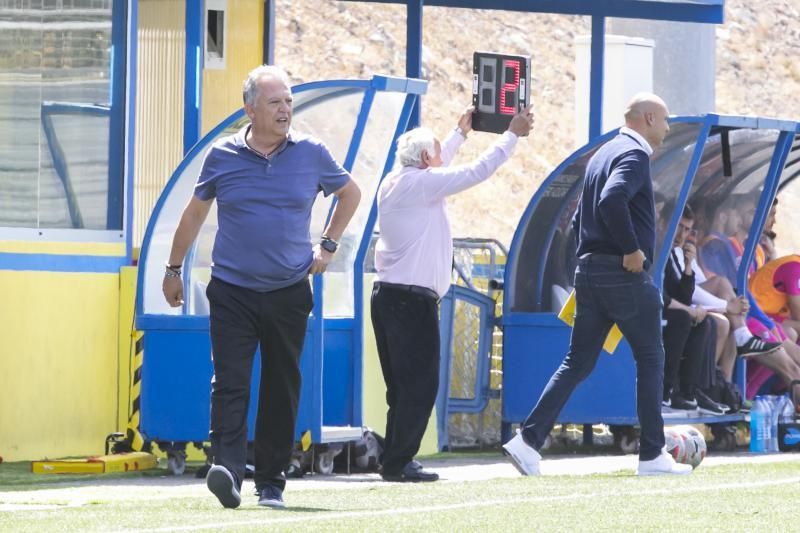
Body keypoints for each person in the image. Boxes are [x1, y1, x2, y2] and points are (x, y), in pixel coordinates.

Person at [162, 65, 361, 509]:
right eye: (275, 102)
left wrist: (327, 246)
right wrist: (173, 269)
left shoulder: (311, 152)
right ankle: (228, 472)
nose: (285, 109)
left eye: (288, 101)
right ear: (250, 109)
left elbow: (351, 193)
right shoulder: (221, 156)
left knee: (281, 384)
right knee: (229, 382)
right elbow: (193, 215)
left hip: (289, 290)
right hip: (231, 289)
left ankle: (270, 483)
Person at [502, 93, 692, 476]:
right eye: (666, 120)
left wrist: (592, 259)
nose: (669, 128)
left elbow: (579, 221)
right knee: (652, 357)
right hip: (622, 275)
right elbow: (611, 200)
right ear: (650, 118)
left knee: (578, 361)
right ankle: (653, 454)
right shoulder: (634, 154)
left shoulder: (604, 152)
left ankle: (527, 441)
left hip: (590, 271)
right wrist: (631, 249)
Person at [372, 104, 533, 482]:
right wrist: (511, 135)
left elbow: (439, 169)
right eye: (437, 152)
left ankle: (394, 459)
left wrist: (460, 133)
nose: (441, 156)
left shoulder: (400, 181)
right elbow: (474, 172)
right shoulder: (419, 185)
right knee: (420, 384)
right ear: (427, 158)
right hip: (410, 301)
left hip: (391, 297)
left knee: (402, 386)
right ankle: (399, 461)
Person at [661, 205, 728, 415]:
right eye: (678, 227)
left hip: (664, 309)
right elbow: (658, 295)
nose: (681, 235)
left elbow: (682, 295)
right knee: (682, 318)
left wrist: (688, 265)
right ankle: (666, 390)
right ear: (663, 224)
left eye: (687, 229)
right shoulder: (653, 249)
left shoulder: (673, 253)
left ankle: (688, 391)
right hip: (645, 311)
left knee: (705, 322)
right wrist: (689, 310)